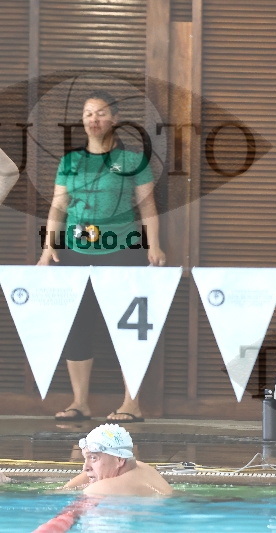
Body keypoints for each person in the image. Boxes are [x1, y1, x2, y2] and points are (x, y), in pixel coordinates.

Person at [38, 90, 166, 423]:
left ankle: (131, 404)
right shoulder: (70, 161)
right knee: (77, 324)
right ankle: (80, 402)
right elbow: (58, 206)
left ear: (115, 119)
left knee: (127, 328)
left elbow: (148, 207)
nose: (94, 119)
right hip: (75, 252)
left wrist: (153, 246)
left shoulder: (133, 160)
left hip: (122, 252)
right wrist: (49, 246)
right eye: (88, 113)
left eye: (101, 113)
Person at [63, 424, 172, 496]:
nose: (85, 467)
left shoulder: (100, 490)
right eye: (86, 458)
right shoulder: (144, 468)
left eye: (93, 458)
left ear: (119, 460)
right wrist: (66, 488)